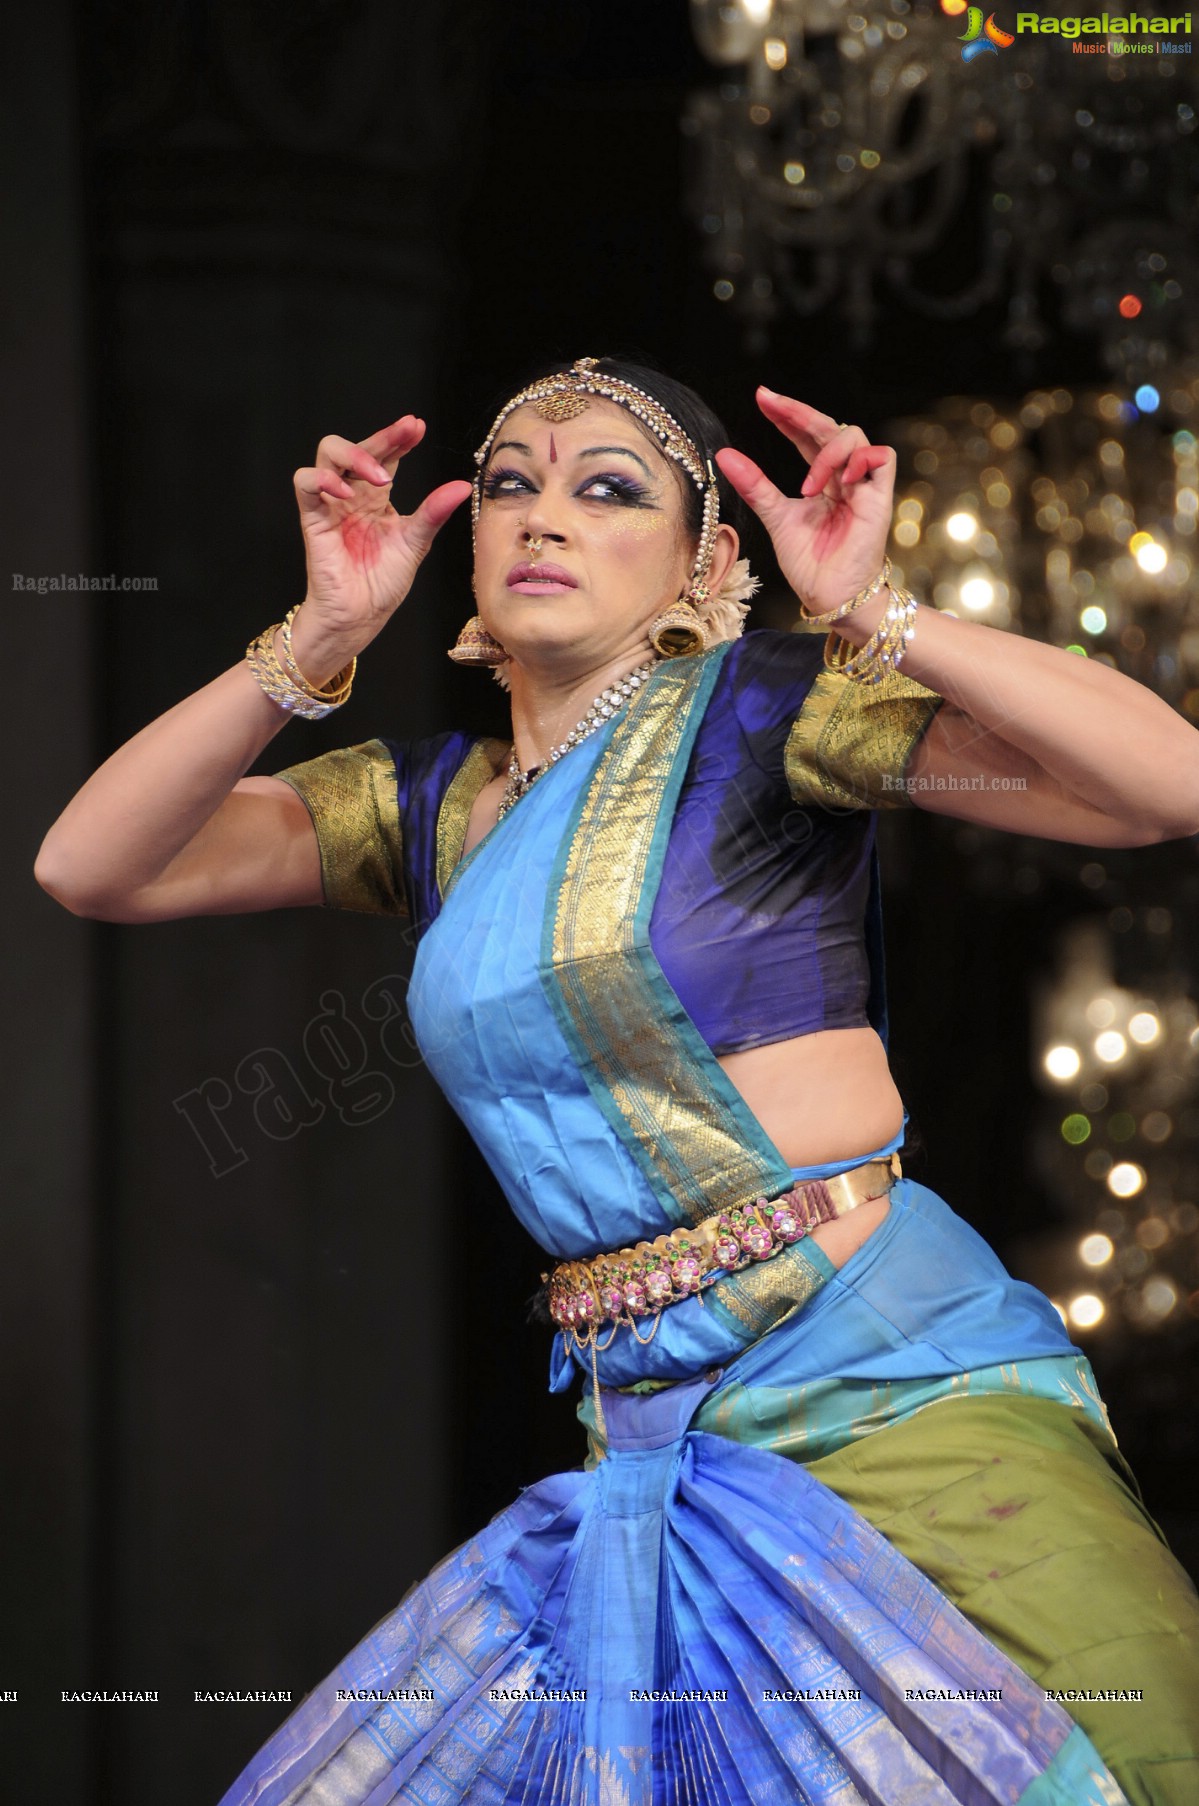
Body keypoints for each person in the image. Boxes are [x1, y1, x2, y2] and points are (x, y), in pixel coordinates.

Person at [36, 355, 1199, 1806]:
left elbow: (1167, 783)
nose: (541, 517)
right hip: (649, 1444)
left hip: (897, 1394)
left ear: (706, 559)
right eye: (510, 486)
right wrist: (316, 637)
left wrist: (868, 615)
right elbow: (89, 863)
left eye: (607, 490)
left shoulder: (775, 714)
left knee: (1123, 1757)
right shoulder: (433, 807)